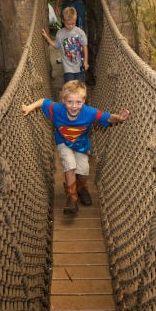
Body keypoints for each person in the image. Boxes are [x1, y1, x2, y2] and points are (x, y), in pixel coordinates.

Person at [22, 80, 130, 214]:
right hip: (63, 142)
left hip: (82, 145)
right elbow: (43, 101)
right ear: (63, 100)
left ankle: (81, 188)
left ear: (84, 101)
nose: (74, 106)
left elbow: (107, 118)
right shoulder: (57, 109)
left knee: (83, 171)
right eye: (70, 102)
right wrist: (29, 108)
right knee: (70, 165)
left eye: (78, 102)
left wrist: (119, 118)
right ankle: (71, 197)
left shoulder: (90, 113)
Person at [42, 7, 89, 83]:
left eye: (73, 24)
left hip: (80, 65)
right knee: (70, 85)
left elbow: (85, 46)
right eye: (68, 24)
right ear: (63, 21)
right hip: (68, 67)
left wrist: (86, 61)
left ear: (75, 20)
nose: (70, 26)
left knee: (80, 86)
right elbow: (57, 46)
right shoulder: (60, 34)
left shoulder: (80, 32)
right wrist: (48, 38)